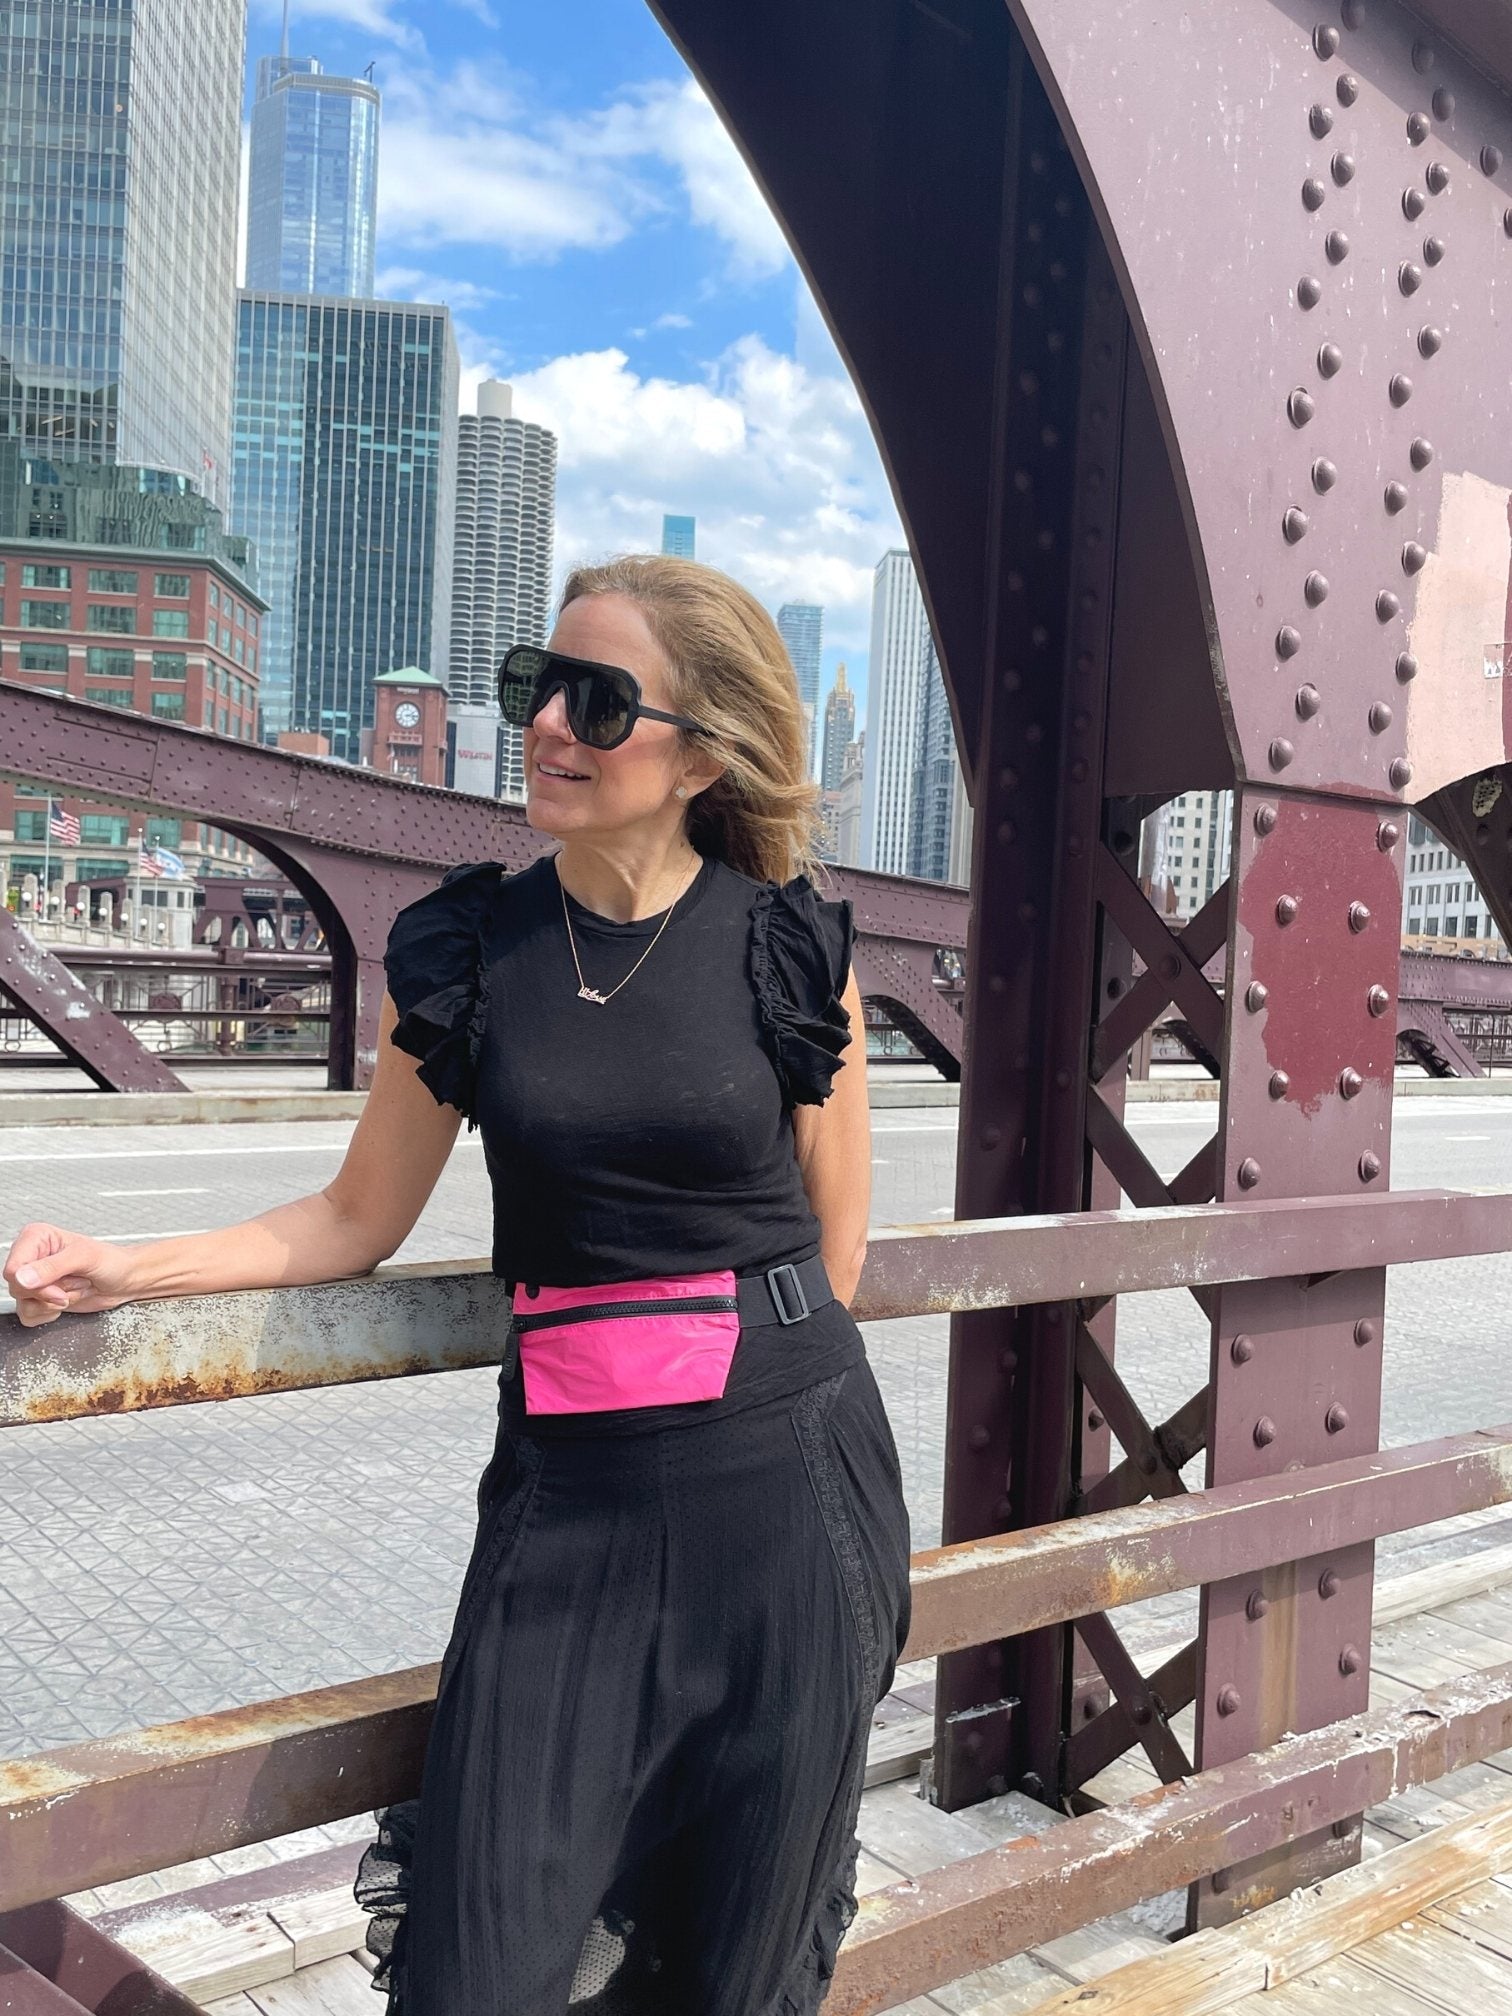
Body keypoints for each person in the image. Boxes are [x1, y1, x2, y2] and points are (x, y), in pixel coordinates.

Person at [3, 554, 912, 2016]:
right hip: (569, 1511)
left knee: (735, 1974)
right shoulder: (475, 950)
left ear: (701, 757)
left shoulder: (789, 949)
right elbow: (354, 1216)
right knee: (481, 1965)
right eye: (535, 685)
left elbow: (837, 1255)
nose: (546, 724)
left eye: (598, 702)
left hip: (787, 1502)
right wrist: (127, 1266)